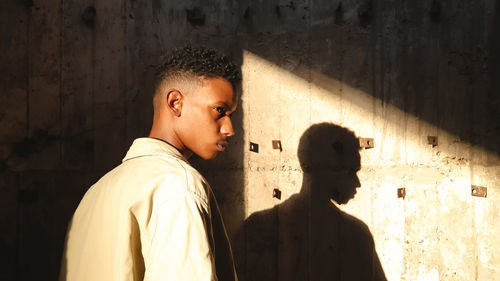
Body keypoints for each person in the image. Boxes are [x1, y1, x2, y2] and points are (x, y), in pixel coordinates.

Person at [59, 46, 242, 281]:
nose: (229, 129)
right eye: (220, 110)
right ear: (176, 102)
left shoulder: (97, 191)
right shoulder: (177, 186)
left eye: (230, 114)